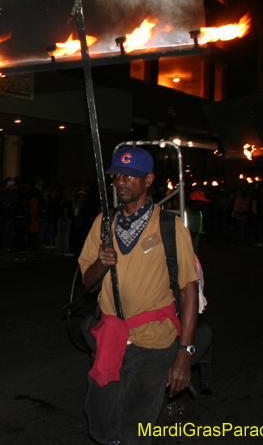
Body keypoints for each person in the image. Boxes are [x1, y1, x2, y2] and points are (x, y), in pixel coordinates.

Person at [79, 146, 199, 445]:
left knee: (136, 428)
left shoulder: (170, 226)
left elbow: (189, 289)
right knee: (101, 422)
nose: (122, 181)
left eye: (131, 176)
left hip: (154, 342)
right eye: (118, 175)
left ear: (148, 179)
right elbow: (88, 284)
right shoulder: (103, 223)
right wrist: (100, 264)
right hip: (110, 337)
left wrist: (184, 352)